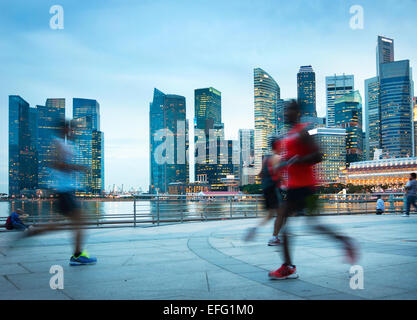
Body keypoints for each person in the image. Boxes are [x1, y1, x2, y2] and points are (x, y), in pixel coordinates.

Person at [268, 100, 358, 280]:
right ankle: (288, 266)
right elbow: (291, 159)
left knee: (314, 225)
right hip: (293, 188)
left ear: (298, 112)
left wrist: (296, 161)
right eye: (285, 110)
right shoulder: (289, 134)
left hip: (307, 187)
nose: (286, 113)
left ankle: (345, 242)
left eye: (290, 110)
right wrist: (284, 165)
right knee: (285, 227)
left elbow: (318, 155)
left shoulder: (302, 131)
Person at [23, 120, 97, 266]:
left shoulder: (67, 144)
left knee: (64, 224)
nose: (72, 131)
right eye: (70, 128)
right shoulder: (58, 143)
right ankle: (77, 256)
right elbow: (56, 164)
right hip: (64, 191)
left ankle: (32, 232)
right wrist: (78, 167)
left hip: (66, 190)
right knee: (80, 222)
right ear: (64, 129)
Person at [244, 137, 287, 245]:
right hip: (274, 189)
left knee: (270, 214)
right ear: (278, 146)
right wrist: (285, 183)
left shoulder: (265, 158)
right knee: (281, 214)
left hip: (266, 189)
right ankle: (274, 237)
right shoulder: (277, 157)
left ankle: (255, 228)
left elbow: (259, 174)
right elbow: (278, 173)